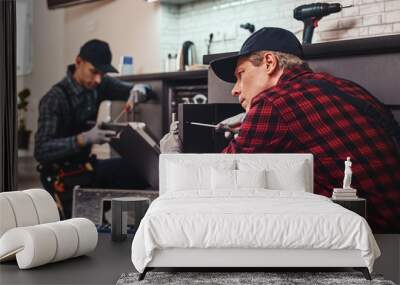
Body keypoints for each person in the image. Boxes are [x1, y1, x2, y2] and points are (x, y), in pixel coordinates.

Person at [161, 27, 400, 233]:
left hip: (374, 229)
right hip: (390, 213)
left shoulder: (273, 102)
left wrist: (173, 159)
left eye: (240, 75)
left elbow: (222, 185)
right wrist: (252, 122)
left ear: (269, 63)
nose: (235, 89)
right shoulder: (344, 85)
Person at [35, 39, 149, 219]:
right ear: (78, 62)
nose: (98, 79)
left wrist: (139, 91)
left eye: (102, 74)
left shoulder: (99, 84)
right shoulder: (54, 99)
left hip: (87, 167)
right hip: (61, 176)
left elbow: (133, 90)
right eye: (94, 72)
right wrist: (83, 139)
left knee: (140, 171)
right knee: (81, 230)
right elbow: (41, 150)